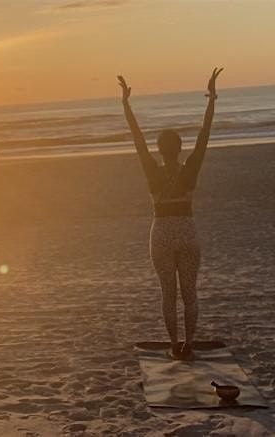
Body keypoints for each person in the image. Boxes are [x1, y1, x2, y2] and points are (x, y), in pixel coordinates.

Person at [118, 68, 222, 360]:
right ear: (179, 149)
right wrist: (212, 98)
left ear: (160, 150)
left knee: (169, 293)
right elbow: (205, 134)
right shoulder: (189, 169)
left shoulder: (153, 171)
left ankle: (174, 344)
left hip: (162, 233)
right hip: (187, 231)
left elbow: (137, 139)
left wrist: (126, 104)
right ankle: (189, 343)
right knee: (189, 292)